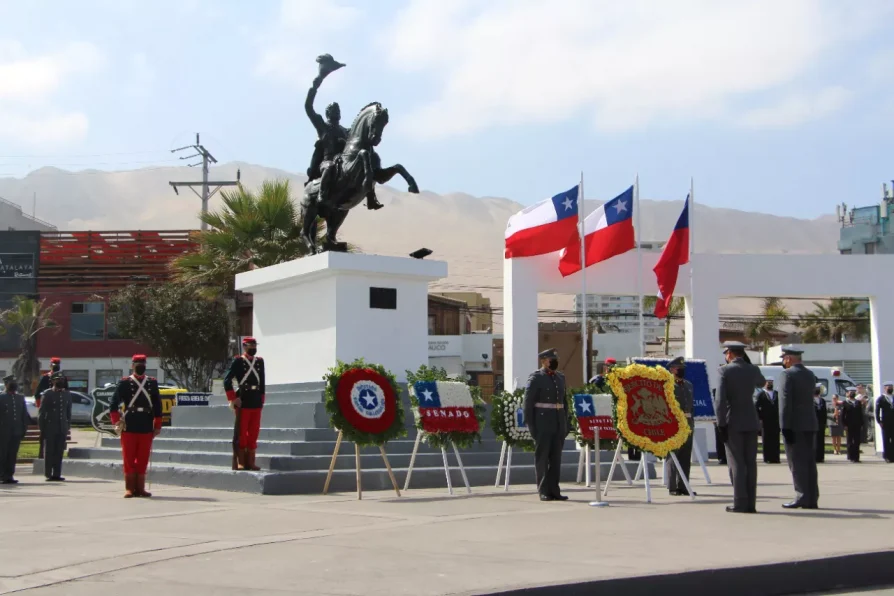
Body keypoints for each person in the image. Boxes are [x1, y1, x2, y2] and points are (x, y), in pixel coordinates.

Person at [715, 341, 765, 513]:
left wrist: (720, 423)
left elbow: (720, 400)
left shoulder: (724, 370)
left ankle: (740, 502)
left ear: (729, 353)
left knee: (736, 463)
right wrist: (748, 364)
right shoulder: (753, 369)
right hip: (751, 419)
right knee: (750, 463)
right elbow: (761, 382)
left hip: (733, 420)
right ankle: (751, 503)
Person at [110, 355, 163, 498]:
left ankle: (140, 488)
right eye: (137, 363)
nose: (140, 365)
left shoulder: (152, 383)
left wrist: (157, 424)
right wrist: (116, 421)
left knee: (143, 457)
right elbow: (113, 403)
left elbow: (157, 405)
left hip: (146, 423)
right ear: (132, 365)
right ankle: (129, 488)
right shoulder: (125, 383)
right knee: (128, 457)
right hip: (129, 424)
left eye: (143, 363)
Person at [523, 348, 568, 501]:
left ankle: (554, 490)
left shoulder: (560, 378)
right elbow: (528, 403)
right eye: (551, 359)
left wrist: (566, 423)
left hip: (558, 422)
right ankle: (543, 490)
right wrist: (531, 425)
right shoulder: (536, 378)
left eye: (555, 359)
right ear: (543, 361)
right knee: (542, 458)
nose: (554, 362)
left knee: (556, 458)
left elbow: (564, 402)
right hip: (542, 423)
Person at [778, 347, 819, 510]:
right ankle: (811, 497)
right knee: (809, 462)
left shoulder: (787, 375)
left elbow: (784, 402)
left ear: (788, 359)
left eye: (783, 359)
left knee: (796, 462)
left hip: (794, 424)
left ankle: (802, 496)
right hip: (810, 423)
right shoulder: (809, 374)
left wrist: (784, 426)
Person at [224, 337, 266, 471]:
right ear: (244, 346)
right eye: (250, 345)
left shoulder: (259, 361)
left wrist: (262, 398)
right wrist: (232, 398)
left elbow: (262, 381)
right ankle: (241, 461)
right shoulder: (238, 361)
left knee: (254, 432)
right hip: (244, 399)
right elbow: (227, 380)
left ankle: (251, 461)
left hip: (256, 399)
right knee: (242, 432)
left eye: (254, 345)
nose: (253, 347)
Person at [666, 357, 695, 496]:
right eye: (679, 368)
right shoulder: (668, 385)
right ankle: (672, 487)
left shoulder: (688, 384)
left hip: (688, 424)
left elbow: (691, 404)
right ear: (672, 369)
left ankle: (684, 485)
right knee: (673, 456)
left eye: (682, 368)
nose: (681, 370)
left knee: (685, 455)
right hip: (674, 425)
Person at [38, 372, 72, 481]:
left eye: (62, 379)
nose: (60, 381)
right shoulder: (47, 394)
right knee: (49, 451)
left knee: (59, 451)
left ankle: (57, 473)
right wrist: (42, 429)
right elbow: (42, 413)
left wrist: (67, 426)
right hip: (50, 427)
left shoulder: (67, 394)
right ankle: (48, 473)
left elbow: (68, 412)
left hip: (62, 427)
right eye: (57, 379)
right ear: (52, 381)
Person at [0, 375, 30, 484]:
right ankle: (2, 475)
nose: (13, 385)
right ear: (6, 384)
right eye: (10, 383)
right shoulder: (1, 397)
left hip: (16, 431)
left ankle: (9, 475)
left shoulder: (20, 398)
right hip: (3, 431)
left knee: (12, 454)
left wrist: (23, 429)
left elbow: (24, 415)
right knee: (2, 454)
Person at [755, 379, 781, 464]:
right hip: (765, 421)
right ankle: (767, 458)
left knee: (775, 439)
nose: (769, 384)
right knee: (766, 440)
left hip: (776, 420)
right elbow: (756, 408)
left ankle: (776, 458)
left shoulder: (777, 394)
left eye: (771, 382)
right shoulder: (761, 395)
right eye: (768, 382)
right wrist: (759, 419)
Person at [841, 387, 863, 463]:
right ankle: (851, 456)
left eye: (853, 392)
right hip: (849, 425)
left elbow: (860, 414)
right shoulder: (845, 403)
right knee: (850, 441)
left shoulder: (858, 402)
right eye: (851, 392)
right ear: (848, 393)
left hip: (857, 425)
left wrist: (861, 423)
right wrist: (844, 424)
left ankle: (856, 457)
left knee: (857, 441)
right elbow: (842, 415)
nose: (852, 393)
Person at [875, 382, 894, 463]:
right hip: (885, 422)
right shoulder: (881, 398)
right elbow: (877, 410)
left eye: (891, 387)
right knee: (886, 439)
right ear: (885, 388)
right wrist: (879, 421)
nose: (890, 388)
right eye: (888, 387)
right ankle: (887, 456)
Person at [813, 385, 828, 464]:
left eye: (818, 389)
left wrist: (825, 423)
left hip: (821, 424)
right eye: (816, 389)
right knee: (814, 441)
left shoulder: (822, 400)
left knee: (821, 441)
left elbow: (825, 413)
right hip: (813, 424)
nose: (817, 390)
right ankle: (814, 457)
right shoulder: (810, 400)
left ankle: (821, 457)